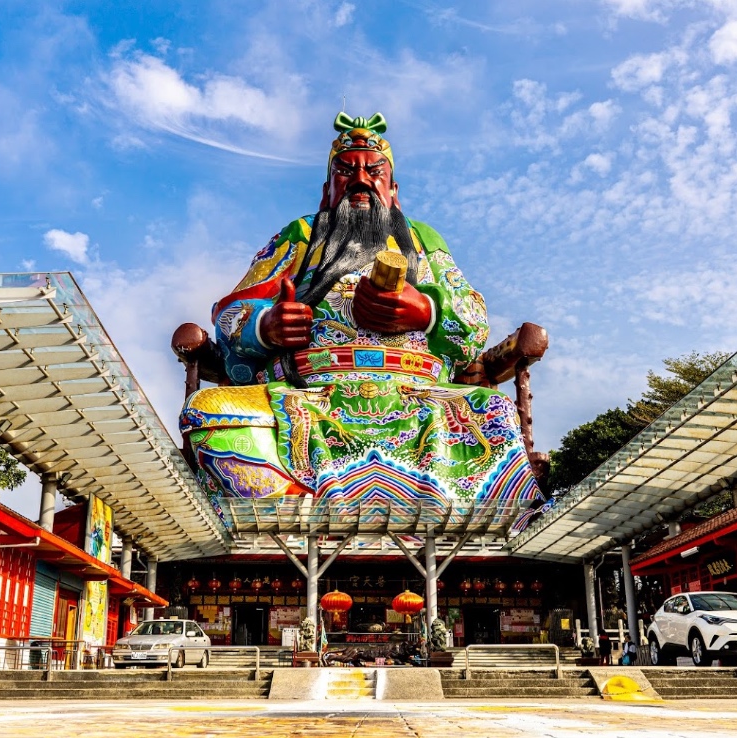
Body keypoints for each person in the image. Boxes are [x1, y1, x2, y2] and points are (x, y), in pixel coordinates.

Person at [180, 113, 541, 522]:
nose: (361, 179)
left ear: (394, 190)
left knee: (493, 411)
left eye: (374, 170)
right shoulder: (299, 235)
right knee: (207, 411)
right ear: (326, 191)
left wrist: (426, 311)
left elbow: (473, 320)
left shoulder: (424, 240)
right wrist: (268, 325)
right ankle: (299, 509)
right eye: (346, 171)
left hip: (423, 402)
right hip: (305, 398)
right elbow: (229, 313)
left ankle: (312, 509)